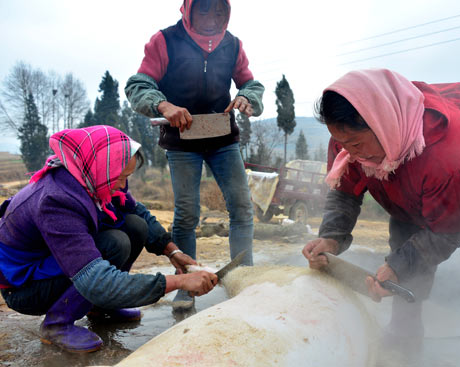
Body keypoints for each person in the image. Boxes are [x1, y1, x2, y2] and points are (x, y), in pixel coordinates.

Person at [302, 69, 460, 365]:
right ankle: (404, 341)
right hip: (415, 181)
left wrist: (398, 265)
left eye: (356, 145)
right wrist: (331, 236)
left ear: (384, 123)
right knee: (403, 255)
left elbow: (448, 229)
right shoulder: (349, 139)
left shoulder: (445, 154)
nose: (350, 154)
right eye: (342, 144)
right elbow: (345, 189)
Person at [0, 125, 218, 353]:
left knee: (135, 226)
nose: (124, 185)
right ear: (103, 168)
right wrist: (179, 283)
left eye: (127, 177)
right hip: (25, 288)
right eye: (121, 177)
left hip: (54, 262)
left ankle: (102, 306)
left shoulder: (92, 175)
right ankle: (57, 323)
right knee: (114, 244)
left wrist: (172, 251)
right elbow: (96, 280)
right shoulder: (56, 200)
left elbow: (137, 210)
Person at [125, 0, 264, 311]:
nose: (213, 18)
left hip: (222, 138)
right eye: (204, 9)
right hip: (181, 140)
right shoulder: (165, 41)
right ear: (188, 9)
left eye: (220, 11)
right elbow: (138, 84)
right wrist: (164, 106)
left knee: (242, 208)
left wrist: (246, 95)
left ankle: (246, 281)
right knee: (187, 214)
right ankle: (186, 287)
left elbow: (251, 83)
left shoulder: (233, 45)